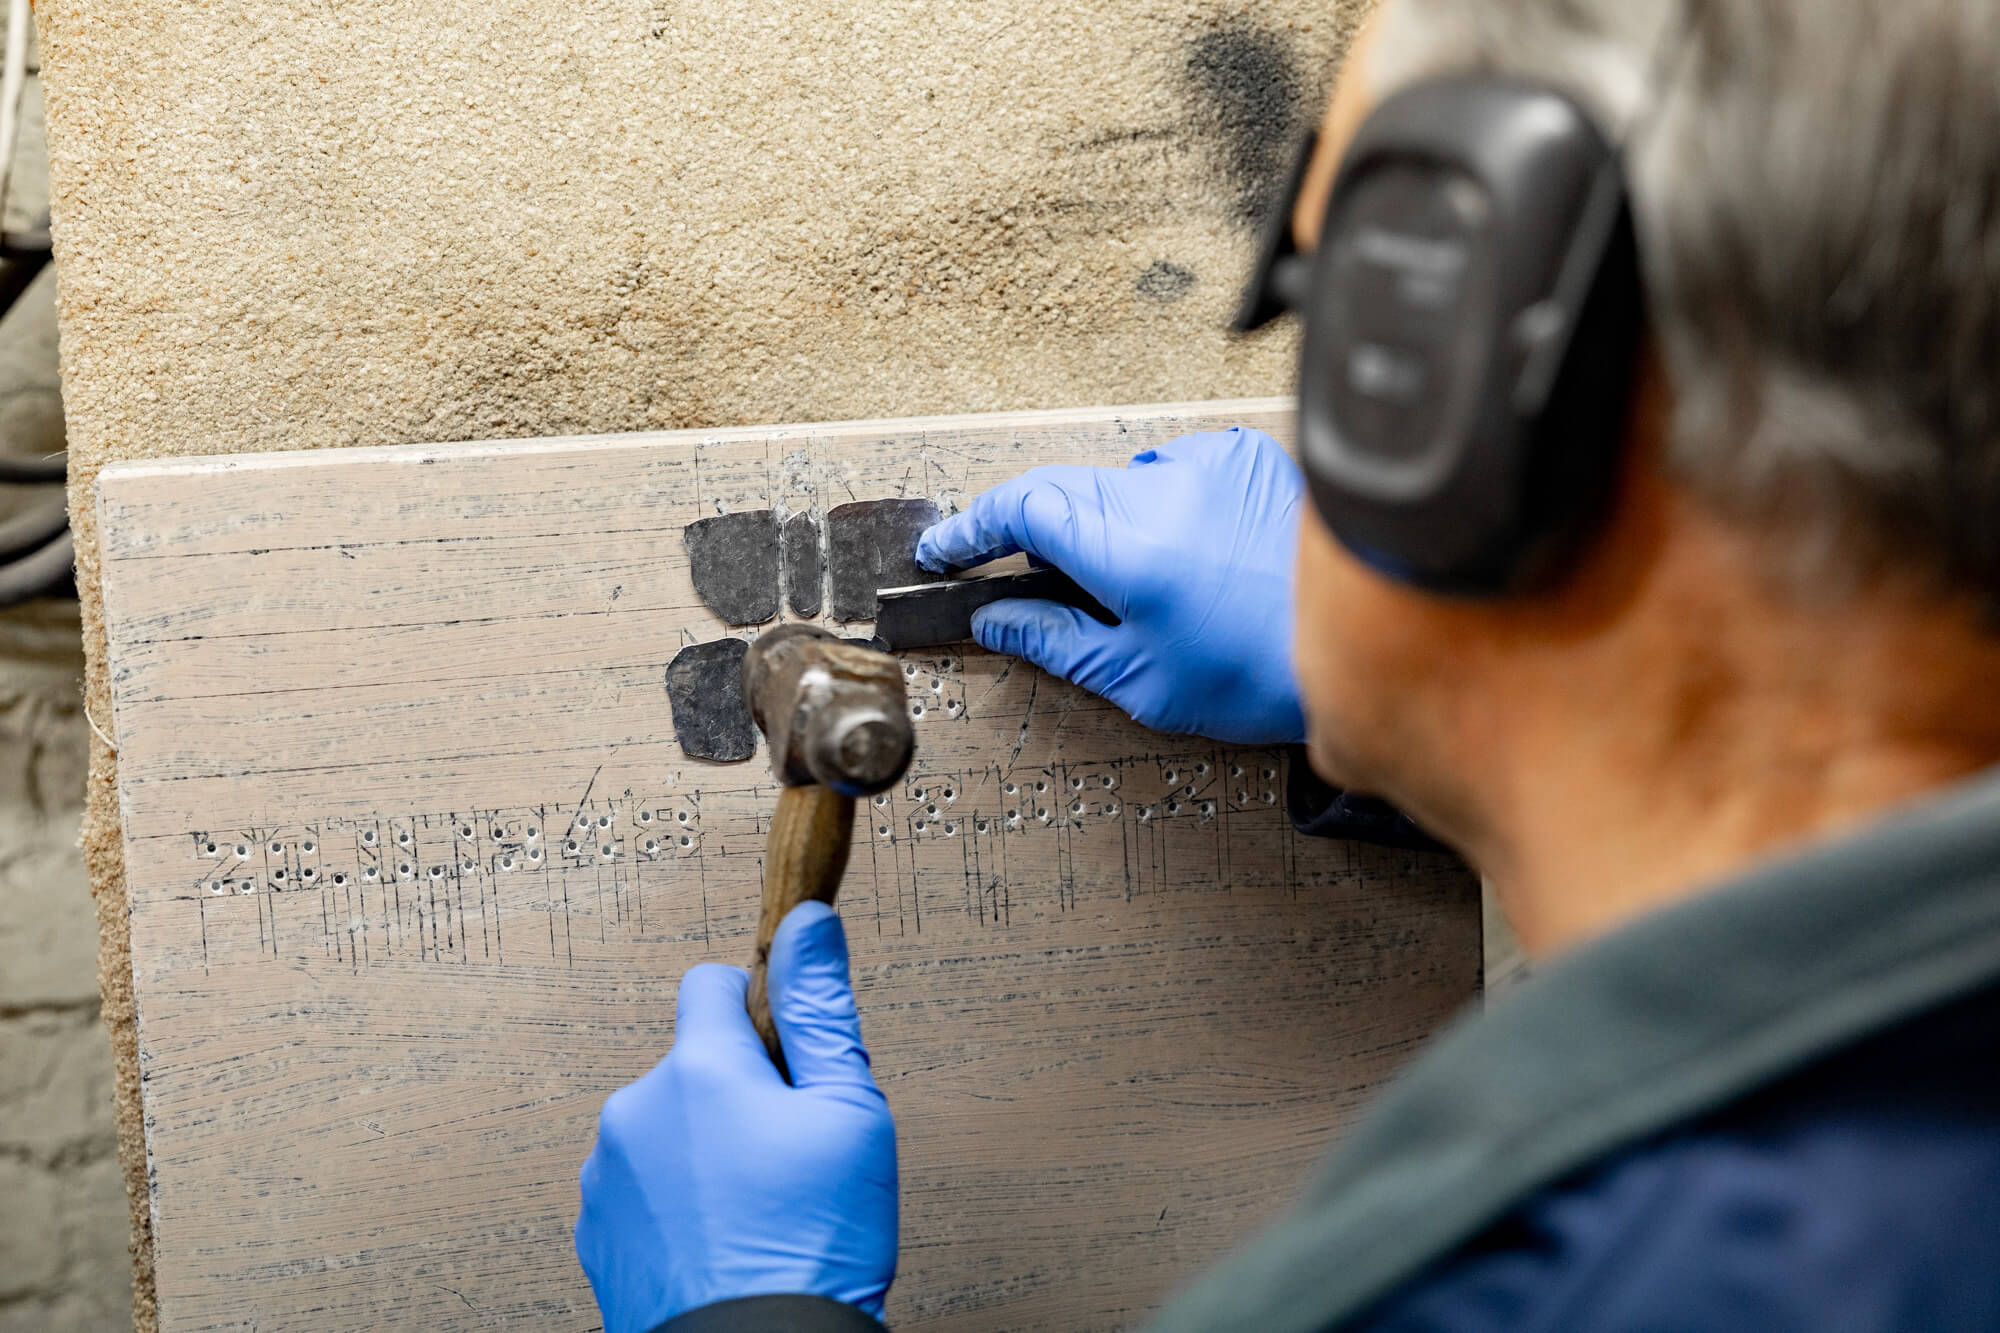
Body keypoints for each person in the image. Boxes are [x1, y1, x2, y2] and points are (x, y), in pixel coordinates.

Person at [575, 0, 2000, 1328]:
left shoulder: (1604, 1281)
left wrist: (753, 1315)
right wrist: (1448, 687)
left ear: (1452, 427)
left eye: (1330, 316)